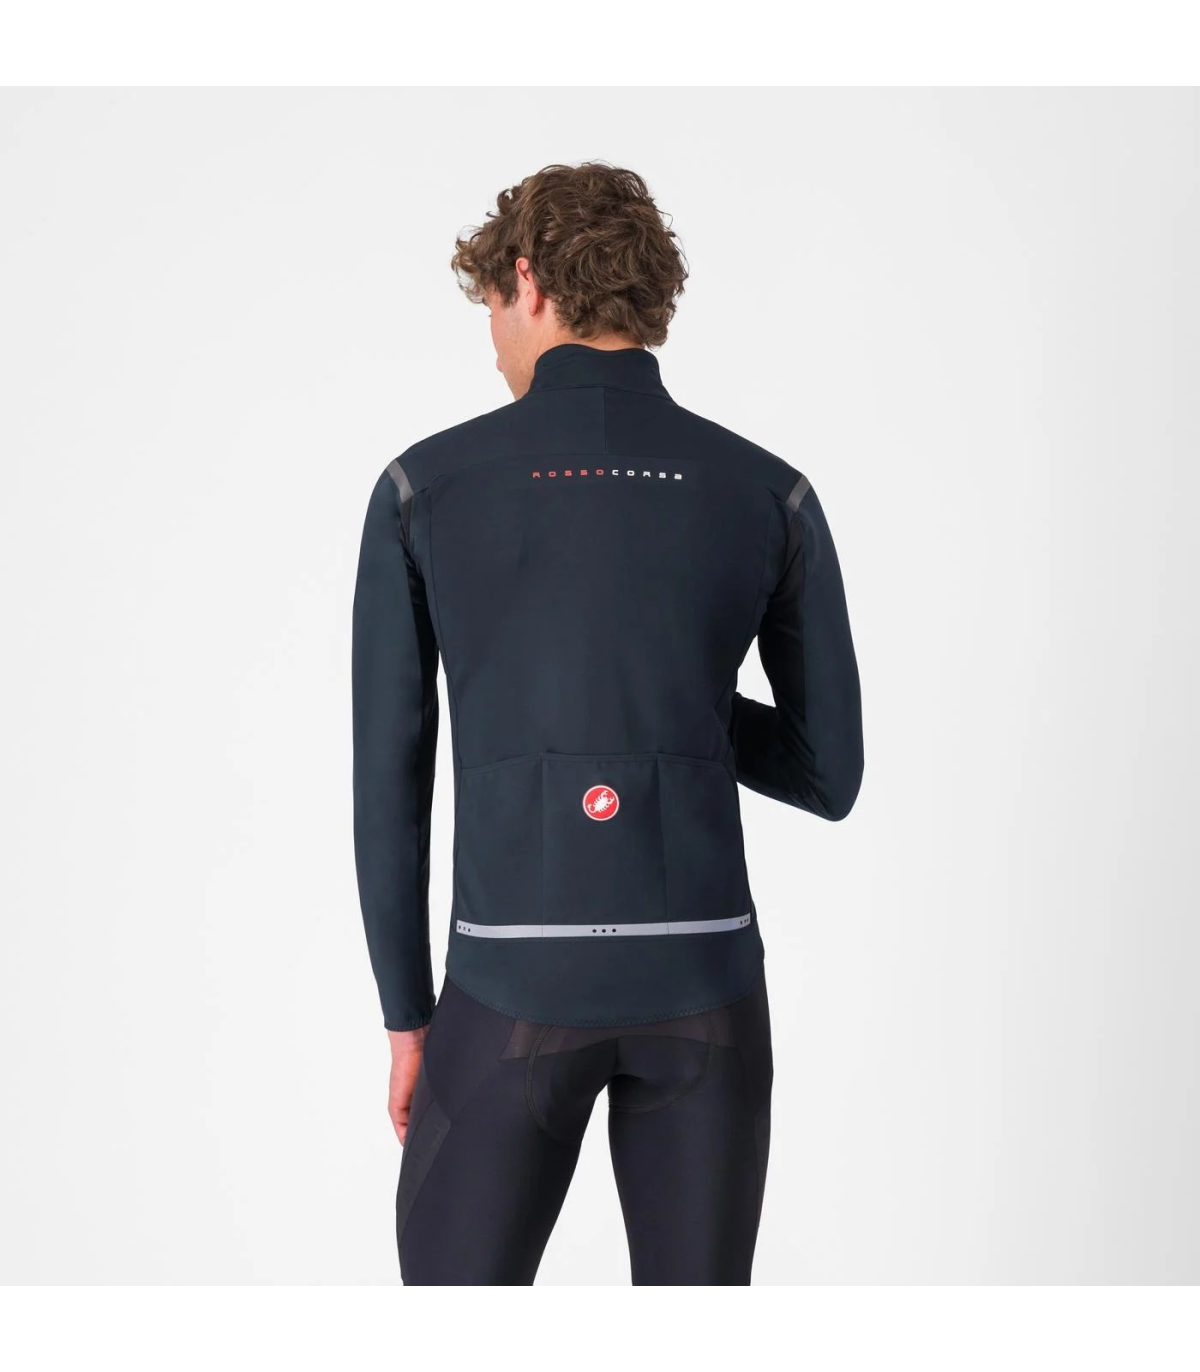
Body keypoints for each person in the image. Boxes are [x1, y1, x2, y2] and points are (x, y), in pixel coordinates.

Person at [351, 162, 863, 1285]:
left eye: (494, 305)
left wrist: (406, 1018)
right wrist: (675, 714)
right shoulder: (769, 492)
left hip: (506, 992)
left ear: (528, 282)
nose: (493, 341)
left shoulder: (422, 489)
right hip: (706, 991)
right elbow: (829, 772)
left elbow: (392, 781)